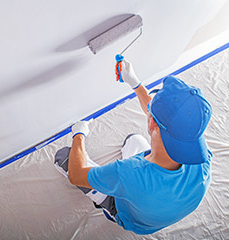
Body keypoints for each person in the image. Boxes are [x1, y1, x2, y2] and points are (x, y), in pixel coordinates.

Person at [54, 58, 212, 235]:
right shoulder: (199, 154)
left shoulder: (129, 172)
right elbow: (159, 117)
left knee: (65, 157)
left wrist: (79, 134)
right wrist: (135, 83)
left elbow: (76, 176)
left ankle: (107, 204)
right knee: (134, 140)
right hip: (158, 209)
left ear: (151, 123)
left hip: (132, 218)